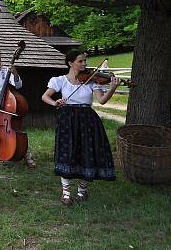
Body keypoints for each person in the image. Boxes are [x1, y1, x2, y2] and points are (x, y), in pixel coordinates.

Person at [41, 50, 119, 206]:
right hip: (67, 120)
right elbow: (45, 96)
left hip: (87, 120)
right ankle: (66, 193)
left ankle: (82, 191)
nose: (84, 64)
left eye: (85, 61)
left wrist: (112, 88)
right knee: (67, 152)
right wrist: (55, 102)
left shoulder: (91, 80)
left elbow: (102, 100)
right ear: (71, 63)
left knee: (86, 152)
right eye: (80, 61)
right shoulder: (59, 80)